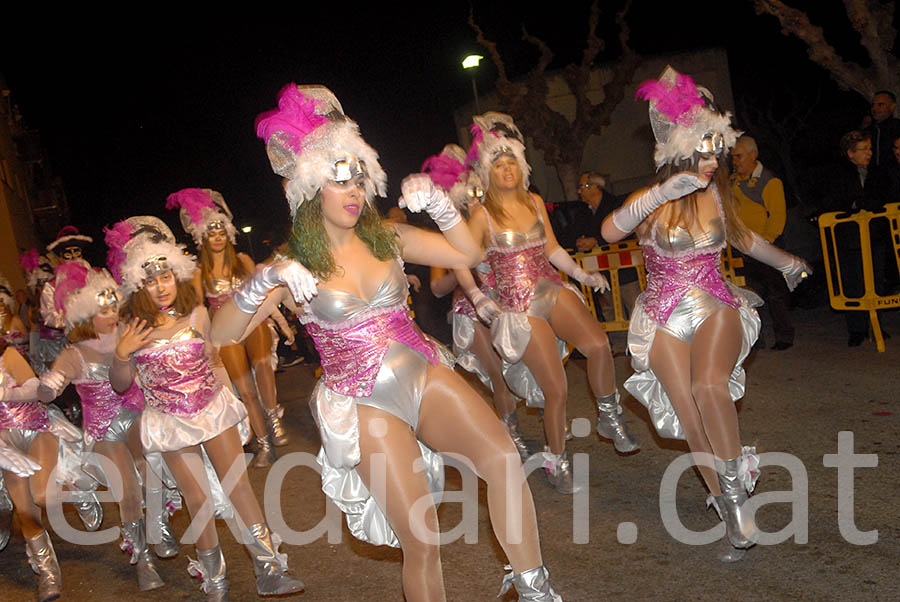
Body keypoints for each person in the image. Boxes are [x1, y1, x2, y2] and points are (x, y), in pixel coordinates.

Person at [211, 84, 563, 602]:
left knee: (503, 458)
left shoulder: (388, 237)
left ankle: (535, 588)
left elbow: (465, 253)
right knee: (421, 540)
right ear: (309, 189)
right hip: (363, 402)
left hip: (421, 369)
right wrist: (264, 281)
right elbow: (222, 335)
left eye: (360, 177)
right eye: (339, 179)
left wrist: (441, 205)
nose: (354, 191)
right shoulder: (290, 267)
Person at [602, 67, 812, 561]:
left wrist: (787, 263)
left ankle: (737, 497)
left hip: (715, 301)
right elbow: (611, 232)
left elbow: (741, 238)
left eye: (718, 150)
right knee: (687, 414)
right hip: (662, 313)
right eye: (705, 151)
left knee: (708, 387)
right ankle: (729, 503)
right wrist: (661, 194)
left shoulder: (717, 193)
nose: (714, 160)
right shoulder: (651, 201)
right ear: (678, 151)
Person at [105, 217, 304, 601]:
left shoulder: (196, 313)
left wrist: (235, 405)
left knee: (238, 486)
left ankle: (269, 569)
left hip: (212, 409)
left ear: (176, 276)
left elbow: (214, 363)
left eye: (166, 277)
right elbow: (120, 384)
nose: (160, 286)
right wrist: (120, 354)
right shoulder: (131, 326)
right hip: (169, 422)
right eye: (150, 280)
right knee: (198, 499)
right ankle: (215, 580)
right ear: (137, 284)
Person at [456, 112, 640, 494]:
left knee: (599, 345)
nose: (507, 169)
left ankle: (609, 416)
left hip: (549, 287)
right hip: (517, 306)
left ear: (522, 167)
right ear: (487, 173)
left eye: (512, 163)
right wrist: (476, 295)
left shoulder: (536, 201)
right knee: (555, 389)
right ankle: (557, 459)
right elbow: (458, 258)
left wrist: (582, 274)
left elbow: (552, 248)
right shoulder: (482, 214)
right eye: (499, 164)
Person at [37, 261, 176, 591]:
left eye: (114, 304)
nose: (112, 312)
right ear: (85, 316)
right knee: (126, 484)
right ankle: (142, 556)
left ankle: (159, 521)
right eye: (103, 309)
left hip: (137, 416)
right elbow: (49, 389)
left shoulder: (129, 334)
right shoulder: (74, 354)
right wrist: (49, 385)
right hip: (104, 430)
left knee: (154, 462)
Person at [424, 144, 534, 460]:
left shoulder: (488, 219)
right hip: (471, 313)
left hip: (507, 304)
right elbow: (437, 288)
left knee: (526, 361)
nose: (472, 197)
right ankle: (511, 433)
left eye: (475, 191)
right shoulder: (445, 237)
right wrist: (461, 271)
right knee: (498, 374)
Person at [167, 188, 288, 468]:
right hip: (225, 330)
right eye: (212, 233)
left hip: (253, 322)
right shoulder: (200, 272)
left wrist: (280, 322)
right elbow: (198, 309)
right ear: (203, 238)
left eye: (222, 232)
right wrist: (201, 342)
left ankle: (273, 418)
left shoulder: (243, 261)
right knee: (245, 390)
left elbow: (265, 295)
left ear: (229, 235)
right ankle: (264, 443)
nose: (218, 238)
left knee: (263, 368)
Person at [0, 342, 98, 601]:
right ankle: (48, 574)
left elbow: (36, 391)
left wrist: (6, 395)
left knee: (43, 495)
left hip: (35, 428)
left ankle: (77, 492)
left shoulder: (7, 355)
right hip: (4, 446)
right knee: (25, 512)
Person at [822, 130, 890, 346]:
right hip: (849, 238)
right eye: (864, 150)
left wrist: (861, 203)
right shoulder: (838, 173)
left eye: (870, 149)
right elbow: (836, 200)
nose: (869, 153)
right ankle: (856, 329)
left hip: (875, 236)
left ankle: (876, 324)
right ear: (850, 153)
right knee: (853, 282)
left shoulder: (877, 172)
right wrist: (854, 203)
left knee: (877, 280)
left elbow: (881, 198)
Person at [730, 135, 795, 350]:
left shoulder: (770, 181)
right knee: (749, 294)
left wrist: (766, 244)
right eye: (733, 157)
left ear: (753, 155)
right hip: (743, 247)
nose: (735, 161)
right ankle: (756, 338)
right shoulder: (733, 182)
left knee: (775, 293)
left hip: (766, 246)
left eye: (739, 156)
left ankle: (784, 337)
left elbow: (777, 217)